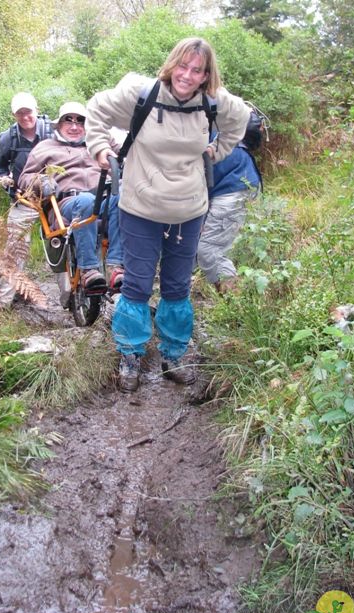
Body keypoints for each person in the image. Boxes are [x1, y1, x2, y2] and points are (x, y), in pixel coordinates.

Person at [85, 37, 251, 393]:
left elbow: (242, 120)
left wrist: (215, 151)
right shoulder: (140, 93)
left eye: (197, 71)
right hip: (140, 207)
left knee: (177, 287)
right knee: (137, 284)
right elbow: (96, 109)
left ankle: (173, 355)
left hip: (188, 210)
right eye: (183, 66)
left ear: (207, 75)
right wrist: (99, 147)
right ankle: (130, 354)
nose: (187, 76)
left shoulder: (214, 103)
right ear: (172, 63)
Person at [17, 101, 124, 301]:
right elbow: (24, 178)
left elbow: (127, 153)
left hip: (104, 197)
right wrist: (41, 181)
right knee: (85, 201)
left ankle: (115, 266)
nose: (74, 126)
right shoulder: (45, 147)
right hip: (67, 203)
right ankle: (88, 270)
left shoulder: (98, 145)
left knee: (123, 197)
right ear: (58, 125)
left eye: (80, 121)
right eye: (68, 121)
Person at [0, 92, 55, 307]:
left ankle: (74, 297)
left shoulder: (52, 131)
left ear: (36, 109)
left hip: (54, 197)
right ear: (14, 115)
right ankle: (3, 303)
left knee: (65, 240)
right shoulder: (7, 138)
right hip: (23, 198)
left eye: (27, 111)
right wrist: (4, 178)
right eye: (20, 113)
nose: (25, 116)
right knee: (15, 246)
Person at [197, 118, 263, 294]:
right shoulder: (208, 119)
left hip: (232, 187)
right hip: (239, 181)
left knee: (210, 250)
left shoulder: (195, 120)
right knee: (217, 248)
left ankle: (235, 303)